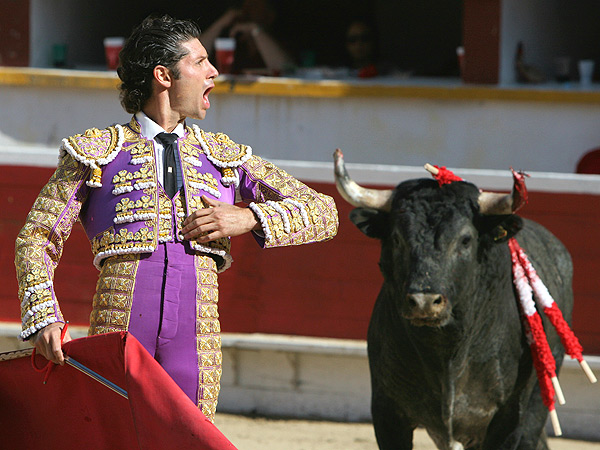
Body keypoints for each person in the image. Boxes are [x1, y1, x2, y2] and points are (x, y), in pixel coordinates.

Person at [15, 14, 338, 422]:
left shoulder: (226, 157)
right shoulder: (96, 152)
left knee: (189, 437)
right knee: (118, 438)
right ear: (164, 75)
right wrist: (44, 316)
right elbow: (36, 236)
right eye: (200, 62)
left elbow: (323, 212)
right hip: (121, 325)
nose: (214, 72)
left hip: (195, 333)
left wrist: (249, 216)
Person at [200, 0, 293, 75]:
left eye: (254, 6)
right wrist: (223, 21)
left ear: (269, 16)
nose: (246, 11)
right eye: (245, 5)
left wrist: (254, 30)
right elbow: (196, 54)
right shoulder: (232, 42)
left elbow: (285, 69)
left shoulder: (277, 44)